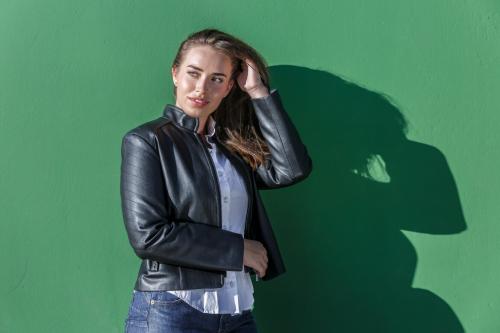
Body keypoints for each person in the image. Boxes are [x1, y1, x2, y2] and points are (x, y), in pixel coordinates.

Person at [120, 28, 312, 333]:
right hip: (173, 310)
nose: (201, 88)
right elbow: (148, 235)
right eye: (193, 74)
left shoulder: (232, 150)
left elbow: (291, 169)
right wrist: (238, 250)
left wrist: (258, 92)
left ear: (228, 88)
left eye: (217, 79)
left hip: (237, 312)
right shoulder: (147, 141)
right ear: (175, 74)